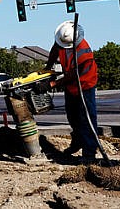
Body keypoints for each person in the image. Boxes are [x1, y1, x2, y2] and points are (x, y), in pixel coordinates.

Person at [44, 20, 99, 163]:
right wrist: (47, 69)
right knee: (73, 116)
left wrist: (53, 84)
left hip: (85, 84)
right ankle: (78, 142)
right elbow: (55, 49)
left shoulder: (83, 52)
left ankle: (89, 154)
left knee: (87, 119)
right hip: (71, 86)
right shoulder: (63, 39)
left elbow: (74, 74)